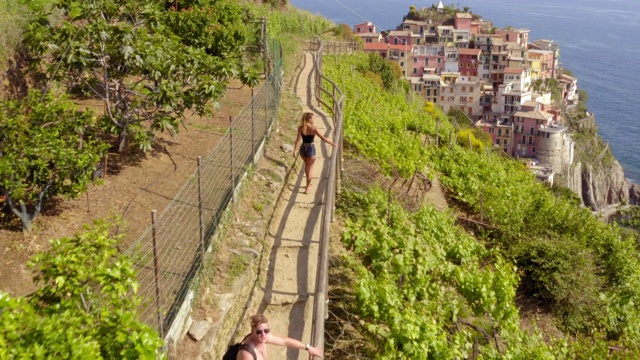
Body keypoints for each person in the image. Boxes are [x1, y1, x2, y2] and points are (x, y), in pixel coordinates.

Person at [236, 314, 323, 359]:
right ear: (252, 331)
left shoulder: (262, 338)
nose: (263, 334)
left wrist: (308, 348)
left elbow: (284, 341)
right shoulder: (246, 354)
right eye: (259, 332)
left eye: (266, 331)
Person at [293, 112, 337, 194]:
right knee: (310, 168)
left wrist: (295, 151)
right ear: (309, 119)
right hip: (310, 149)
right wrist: (332, 143)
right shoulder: (314, 128)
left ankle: (308, 184)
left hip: (303, 148)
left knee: (307, 166)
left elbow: (298, 140)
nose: (314, 119)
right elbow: (323, 138)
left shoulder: (300, 128)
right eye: (313, 118)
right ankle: (307, 188)